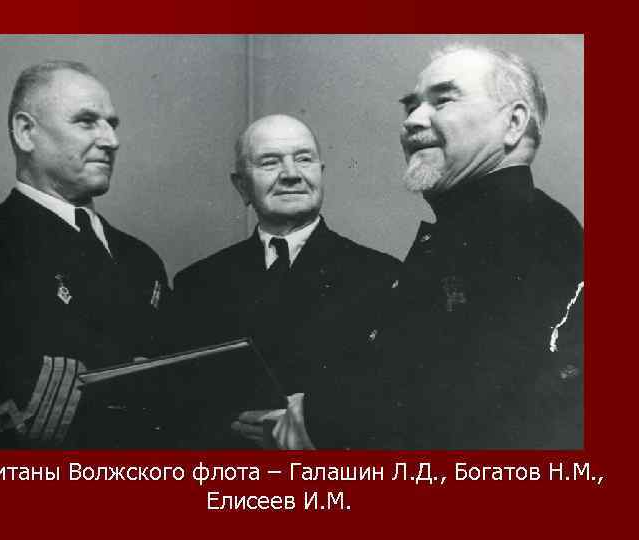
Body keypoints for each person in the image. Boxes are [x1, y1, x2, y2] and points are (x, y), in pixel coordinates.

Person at [236, 45, 584, 450]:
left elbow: (476, 414)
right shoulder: (486, 231)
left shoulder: (532, 236)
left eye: (443, 100)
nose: (412, 121)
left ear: (514, 123)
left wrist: (312, 421)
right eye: (411, 106)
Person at [170, 114, 403, 448]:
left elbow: (392, 403)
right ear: (241, 186)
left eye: (304, 159)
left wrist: (310, 427)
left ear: (320, 174)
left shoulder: (382, 276)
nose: (291, 174)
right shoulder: (197, 284)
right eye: (270, 162)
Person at [0, 61, 170, 449]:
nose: (111, 140)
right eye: (86, 121)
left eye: (112, 124)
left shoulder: (141, 258)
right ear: (26, 132)